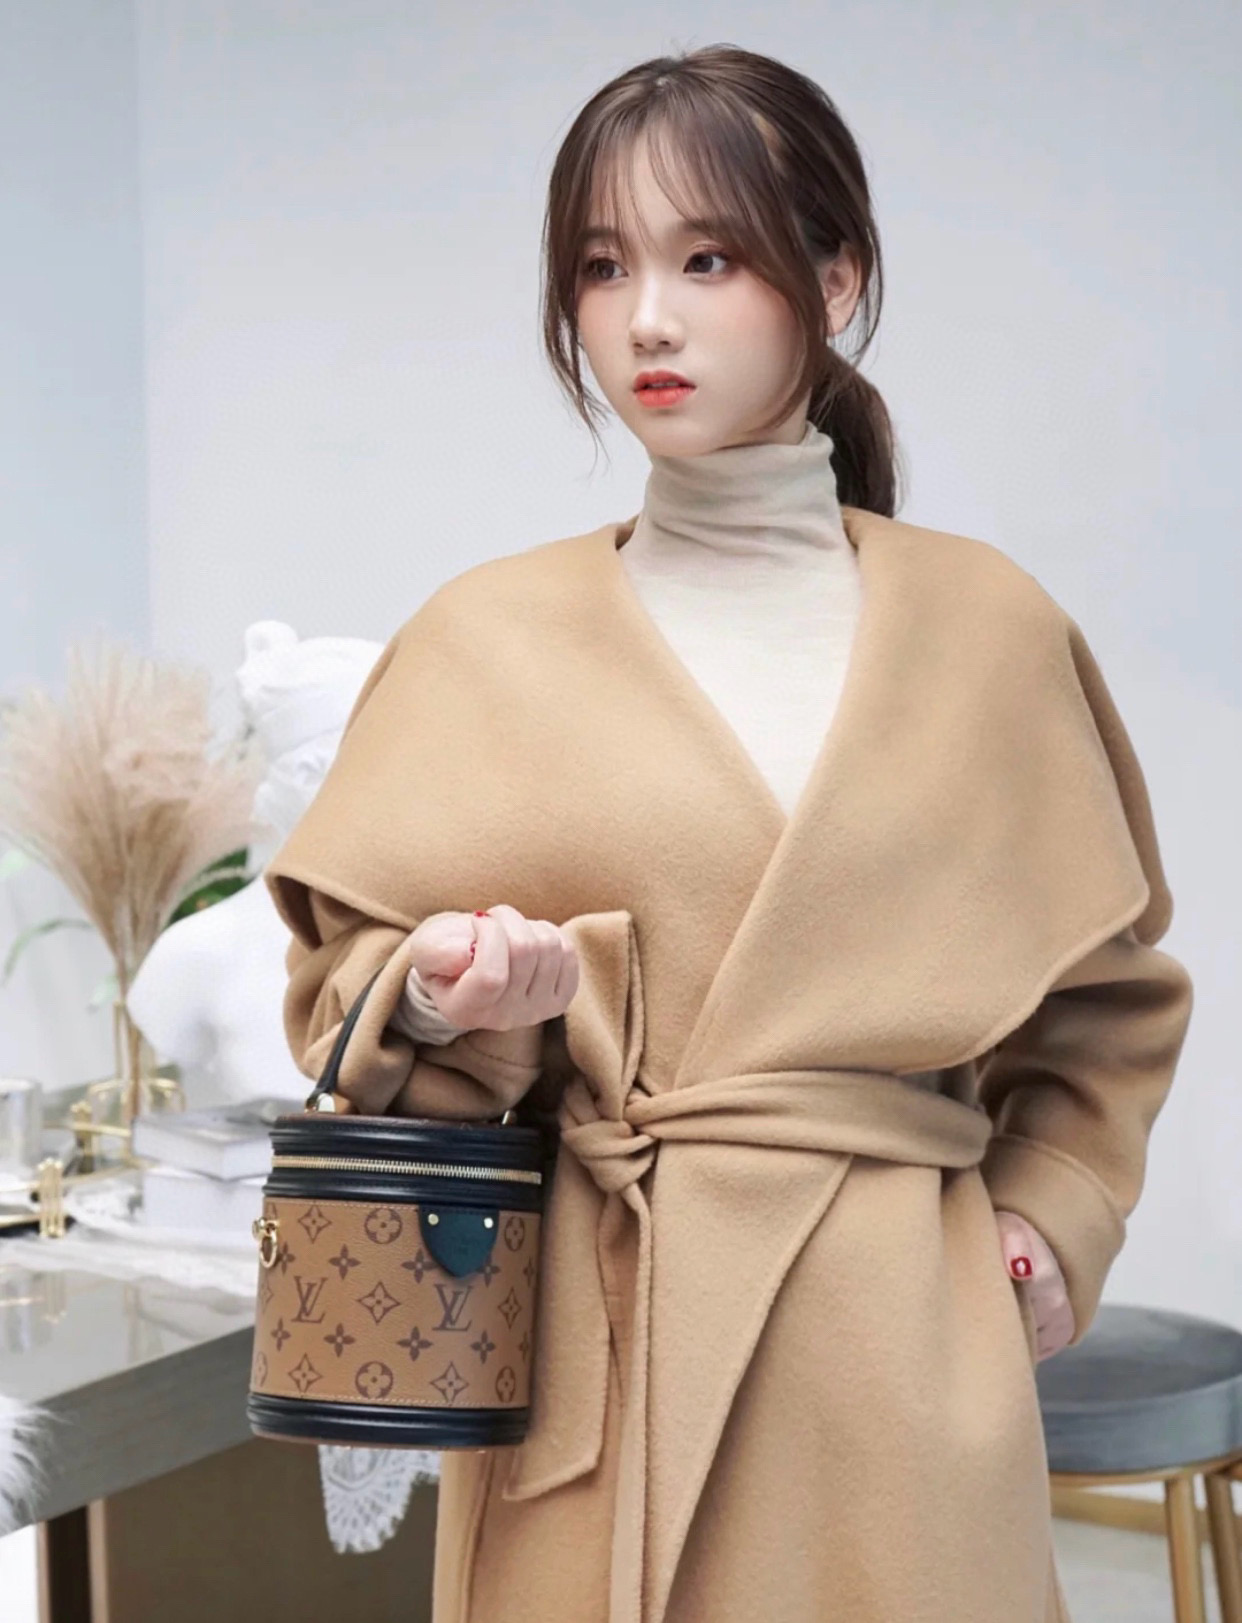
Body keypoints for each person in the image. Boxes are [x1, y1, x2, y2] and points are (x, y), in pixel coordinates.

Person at [263, 44, 1194, 1623]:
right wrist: (445, 994)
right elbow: (355, 1014)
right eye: (601, 266)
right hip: (600, 1362)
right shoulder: (485, 639)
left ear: (833, 278)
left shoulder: (985, 631)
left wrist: (1045, 1217)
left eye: (708, 259)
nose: (646, 319)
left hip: (894, 1355)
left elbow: (1103, 1002)